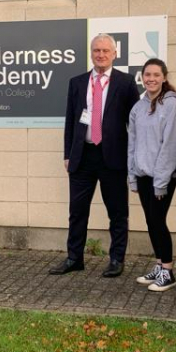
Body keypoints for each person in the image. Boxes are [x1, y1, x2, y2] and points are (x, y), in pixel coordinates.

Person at [50, 34, 140, 277]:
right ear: (91, 53)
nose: (100, 54)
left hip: (113, 158)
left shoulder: (126, 82)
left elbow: (136, 122)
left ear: (114, 54)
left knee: (117, 212)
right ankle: (74, 258)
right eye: (96, 50)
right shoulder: (77, 82)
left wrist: (134, 156)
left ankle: (116, 260)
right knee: (77, 211)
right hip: (83, 156)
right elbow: (71, 120)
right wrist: (67, 153)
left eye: (105, 50)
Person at [129, 59, 176, 291]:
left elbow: (170, 145)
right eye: (147, 75)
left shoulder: (172, 105)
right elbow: (132, 142)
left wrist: (161, 182)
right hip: (142, 175)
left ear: (164, 77)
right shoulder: (138, 107)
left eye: (156, 75)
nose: (151, 79)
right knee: (151, 222)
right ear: (142, 77)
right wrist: (132, 175)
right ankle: (160, 265)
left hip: (161, 178)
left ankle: (168, 272)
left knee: (158, 222)